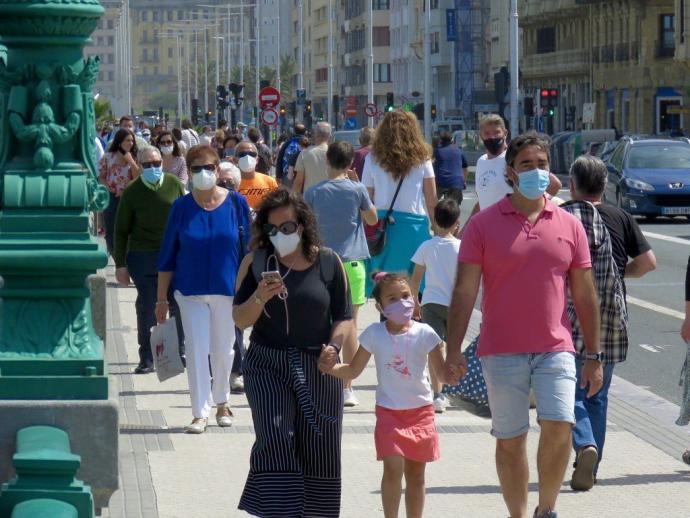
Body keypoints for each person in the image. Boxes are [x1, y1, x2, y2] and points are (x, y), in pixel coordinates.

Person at [445, 132, 603, 518]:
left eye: (542, 164)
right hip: (501, 351)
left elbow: (585, 295)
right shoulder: (483, 225)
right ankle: (517, 513)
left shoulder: (569, 224)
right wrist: (452, 352)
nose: (536, 171)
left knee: (560, 425)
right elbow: (465, 292)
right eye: (527, 165)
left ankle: (546, 509)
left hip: (556, 348)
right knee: (510, 441)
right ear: (511, 173)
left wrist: (594, 356)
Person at [232, 188, 353, 517]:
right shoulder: (256, 263)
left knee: (321, 446)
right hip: (267, 362)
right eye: (272, 230)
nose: (279, 235)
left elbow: (345, 316)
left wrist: (335, 346)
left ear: (302, 224)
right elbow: (239, 319)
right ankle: (280, 512)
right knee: (275, 435)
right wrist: (259, 297)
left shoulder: (328, 261)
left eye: (286, 227)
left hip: (318, 364)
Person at [320, 273, 446, 518]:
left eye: (406, 296)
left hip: (421, 413)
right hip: (389, 413)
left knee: (416, 476)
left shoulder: (426, 333)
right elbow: (353, 369)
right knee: (392, 468)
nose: (402, 302)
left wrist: (455, 371)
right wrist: (331, 368)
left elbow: (442, 372)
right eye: (392, 298)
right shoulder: (374, 334)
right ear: (380, 306)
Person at [566, 155, 656, 490]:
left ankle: (584, 444)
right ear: (605, 186)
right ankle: (593, 465)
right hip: (610, 318)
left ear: (573, 185)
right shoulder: (621, 217)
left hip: (570, 315)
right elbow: (648, 262)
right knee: (597, 395)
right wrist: (621, 274)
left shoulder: (564, 215)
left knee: (567, 390)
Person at [156, 144, 251, 434]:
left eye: (208, 167)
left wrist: (249, 291)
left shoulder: (236, 203)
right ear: (189, 172)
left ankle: (222, 401)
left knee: (224, 349)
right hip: (190, 290)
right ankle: (200, 411)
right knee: (197, 348)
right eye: (196, 168)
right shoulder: (181, 208)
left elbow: (249, 251)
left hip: (227, 289)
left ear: (219, 168)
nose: (203, 173)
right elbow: (167, 254)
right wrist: (161, 298)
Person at [304, 141, 379, 407]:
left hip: (322, 263)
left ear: (327, 162)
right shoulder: (357, 189)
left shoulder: (313, 192)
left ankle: (319, 379)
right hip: (353, 262)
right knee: (350, 325)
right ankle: (347, 386)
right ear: (350, 164)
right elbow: (372, 220)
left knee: (320, 322)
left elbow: (305, 226)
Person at [114, 146, 186, 374]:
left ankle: (178, 351)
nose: (153, 168)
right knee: (147, 305)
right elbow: (121, 230)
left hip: (173, 254)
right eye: (147, 164)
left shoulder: (174, 184)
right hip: (142, 255)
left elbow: (185, 218)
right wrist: (120, 265)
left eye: (156, 163)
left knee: (176, 303)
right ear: (139, 164)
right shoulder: (132, 191)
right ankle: (146, 357)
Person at [362, 111, 438, 296]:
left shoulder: (372, 159)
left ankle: (387, 322)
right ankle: (415, 320)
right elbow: (431, 200)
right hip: (414, 229)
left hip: (382, 229)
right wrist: (437, 230)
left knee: (386, 289)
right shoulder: (423, 159)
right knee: (414, 286)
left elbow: (366, 199)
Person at [460, 114, 561, 234]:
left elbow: (554, 184)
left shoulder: (513, 159)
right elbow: (482, 200)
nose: (492, 137)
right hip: (488, 232)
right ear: (481, 136)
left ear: (505, 133)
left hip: (514, 231)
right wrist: (466, 228)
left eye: (496, 132)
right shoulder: (481, 162)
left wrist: (534, 214)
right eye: (487, 133)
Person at [410, 198, 461, 414]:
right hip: (455, 304)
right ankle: (450, 389)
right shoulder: (462, 247)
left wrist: (415, 301)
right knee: (453, 347)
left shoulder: (426, 246)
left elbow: (415, 279)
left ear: (434, 221)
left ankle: (437, 393)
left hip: (431, 302)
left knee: (434, 348)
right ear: (457, 223)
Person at [98, 128, 140, 255]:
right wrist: (108, 187)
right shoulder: (108, 156)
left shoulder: (135, 157)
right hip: (112, 197)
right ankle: (115, 254)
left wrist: (131, 162)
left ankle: (127, 255)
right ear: (120, 141)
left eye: (132, 141)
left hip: (128, 198)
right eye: (127, 140)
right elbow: (102, 176)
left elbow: (138, 177)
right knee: (111, 229)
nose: (130, 143)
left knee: (128, 229)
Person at [236, 141, 279, 210]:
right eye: (242, 154)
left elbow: (277, 207)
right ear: (236, 159)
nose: (247, 157)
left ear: (257, 160)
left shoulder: (270, 181)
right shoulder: (230, 184)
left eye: (252, 154)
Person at [294, 121, 332, 193]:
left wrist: (293, 199)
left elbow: (299, 181)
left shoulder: (304, 154)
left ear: (315, 135)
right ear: (330, 136)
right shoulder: (336, 153)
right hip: (331, 196)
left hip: (310, 198)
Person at [433, 131, 467, 205]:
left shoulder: (436, 151)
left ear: (440, 140)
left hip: (440, 182)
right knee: (454, 208)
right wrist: (464, 181)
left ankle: (435, 215)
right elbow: (465, 168)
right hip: (456, 182)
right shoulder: (459, 150)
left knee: (432, 203)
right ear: (452, 140)